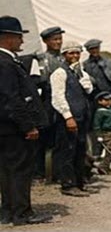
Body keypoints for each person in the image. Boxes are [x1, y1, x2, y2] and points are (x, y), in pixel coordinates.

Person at [0, 16, 52, 226]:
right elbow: (11, 99)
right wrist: (28, 126)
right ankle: (22, 213)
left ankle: (7, 212)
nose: (21, 41)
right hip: (14, 129)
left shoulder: (7, 61)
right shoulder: (6, 63)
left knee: (7, 171)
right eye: (19, 37)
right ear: (7, 38)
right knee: (20, 171)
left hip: (6, 128)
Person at [51, 42, 95, 197]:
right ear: (64, 55)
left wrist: (82, 77)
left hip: (82, 117)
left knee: (80, 150)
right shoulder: (59, 73)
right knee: (67, 150)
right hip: (68, 118)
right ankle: (68, 184)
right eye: (71, 53)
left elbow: (88, 90)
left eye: (77, 53)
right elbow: (58, 97)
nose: (75, 56)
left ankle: (80, 182)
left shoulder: (81, 72)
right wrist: (68, 116)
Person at [31, 26, 65, 181]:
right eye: (54, 39)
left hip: (62, 101)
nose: (58, 42)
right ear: (46, 41)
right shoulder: (40, 59)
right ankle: (39, 172)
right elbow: (38, 82)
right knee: (43, 137)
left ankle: (57, 172)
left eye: (59, 39)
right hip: (46, 102)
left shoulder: (64, 58)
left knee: (60, 138)